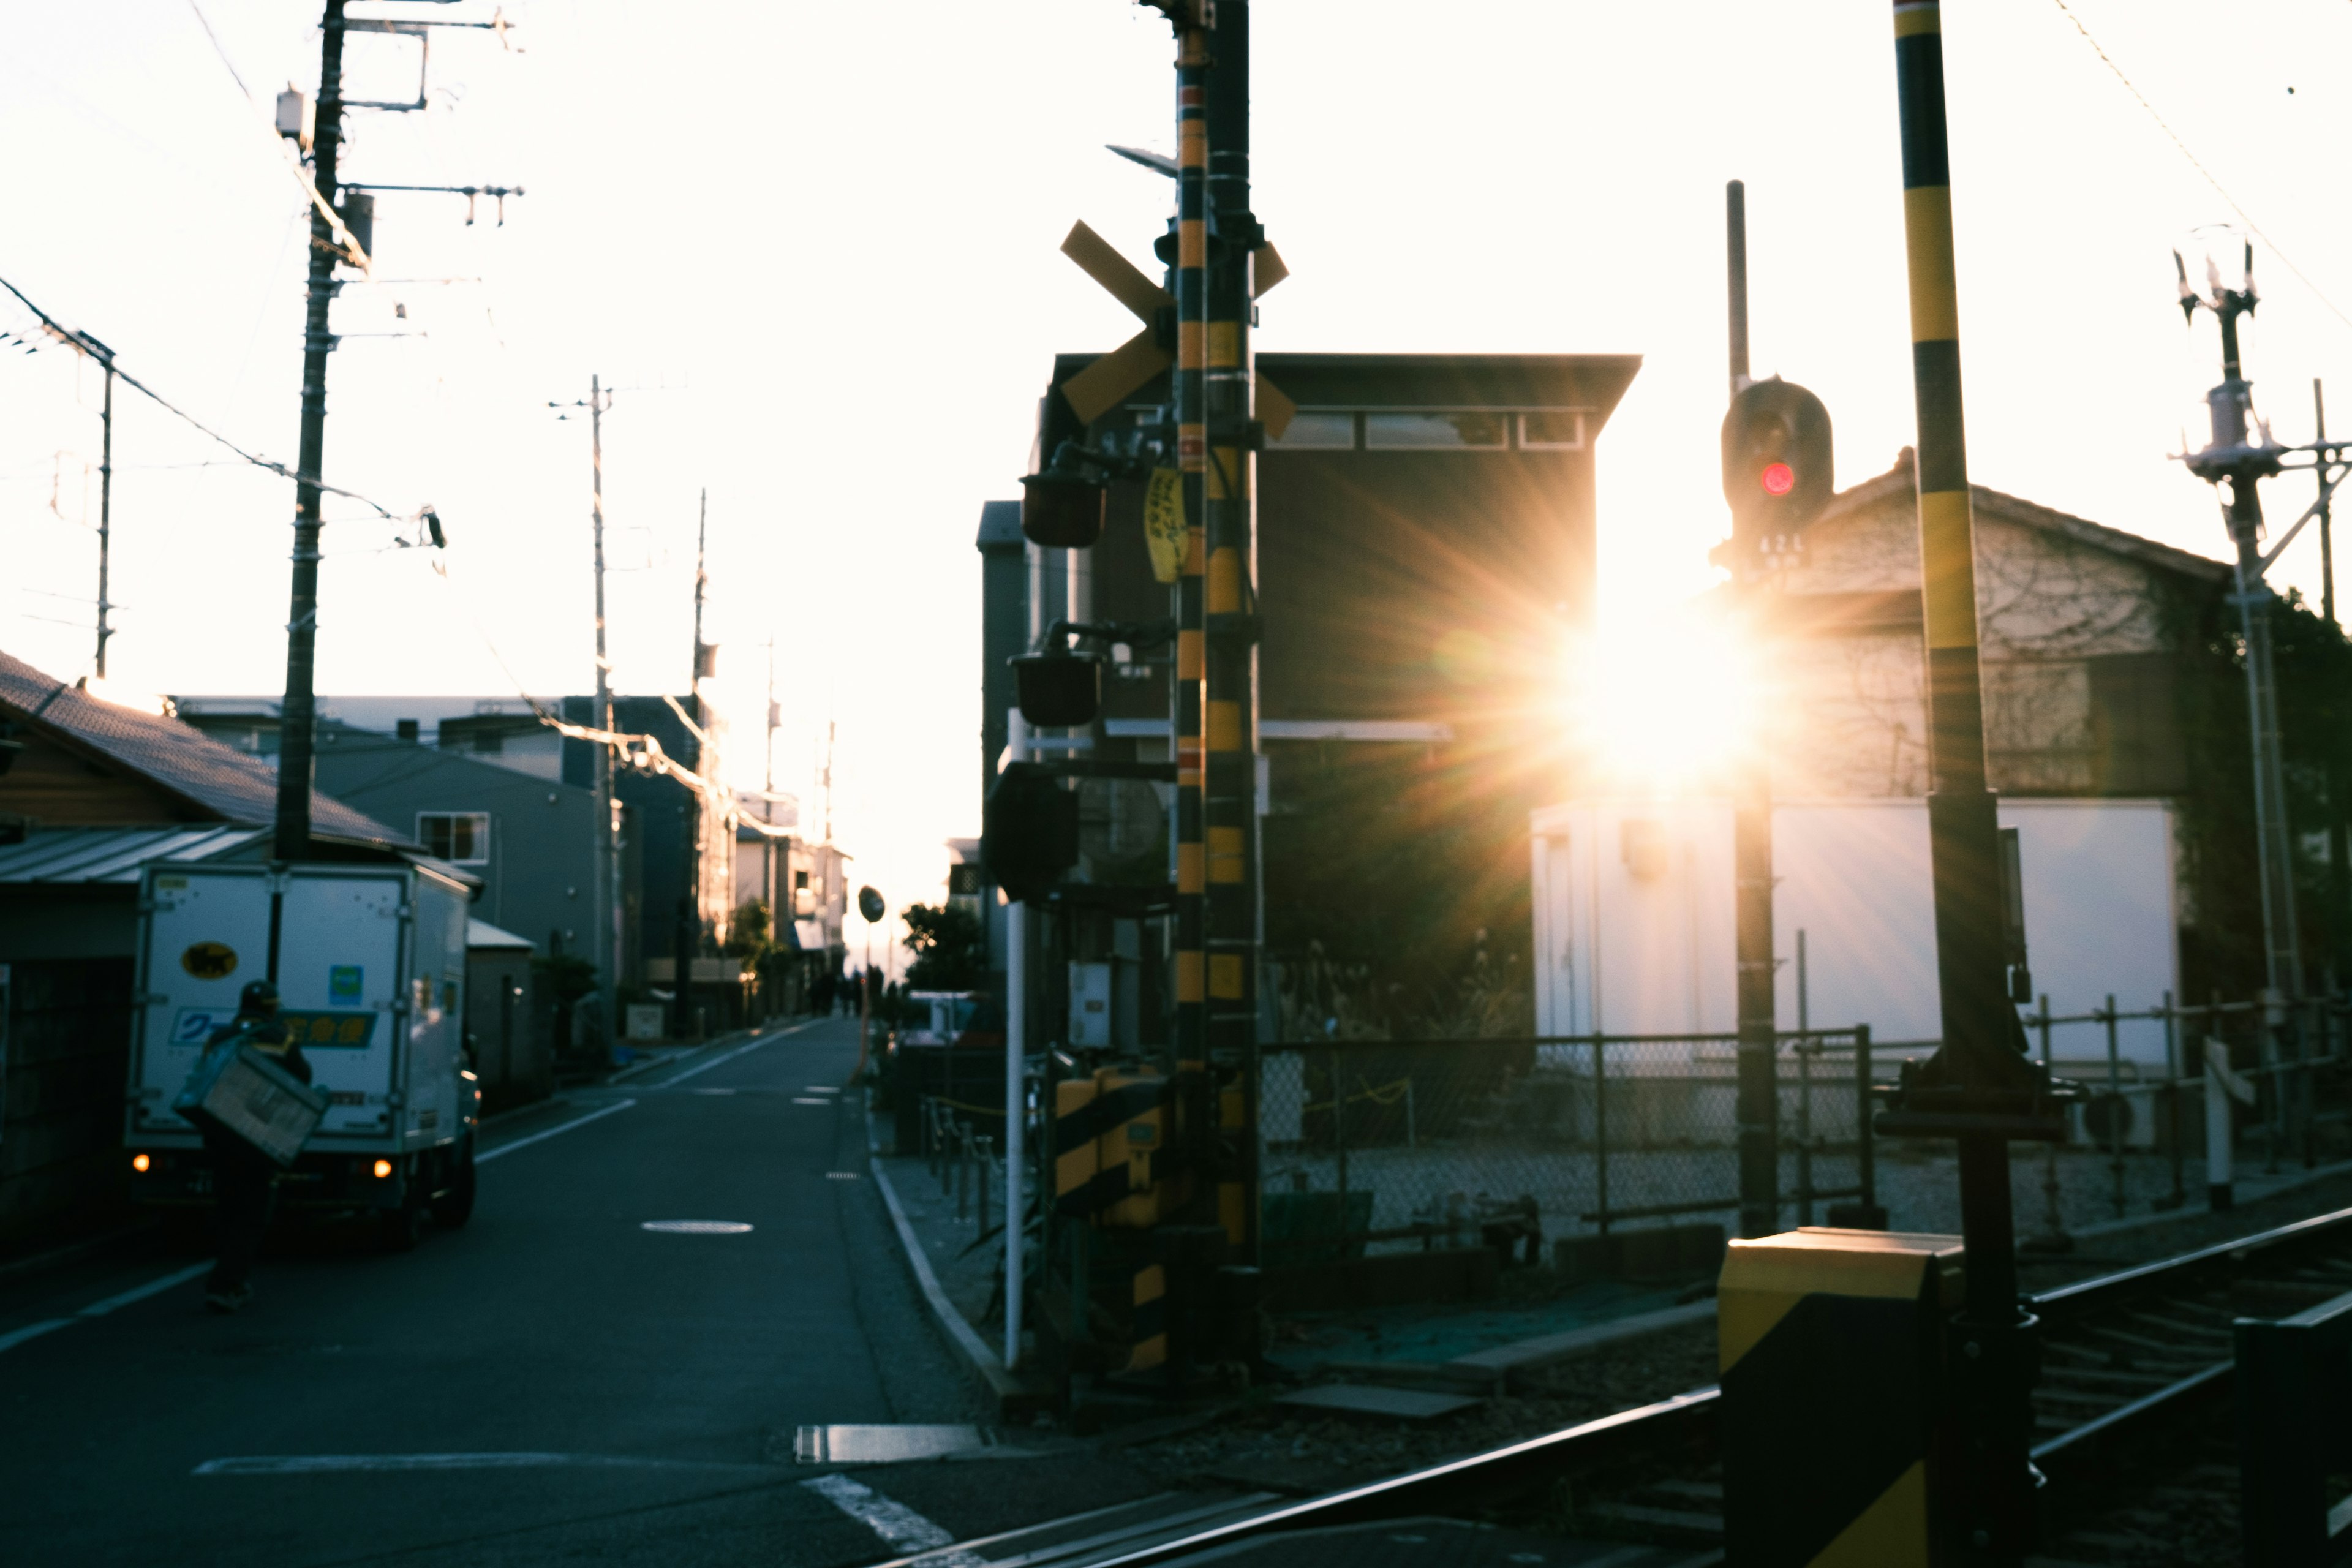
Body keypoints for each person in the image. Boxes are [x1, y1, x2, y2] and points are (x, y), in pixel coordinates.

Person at [201, 980, 311, 1316]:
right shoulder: (282, 1039)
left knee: (227, 1209)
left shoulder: (218, 1039)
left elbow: (202, 1079)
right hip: (257, 1138)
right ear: (272, 1009)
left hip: (219, 1138)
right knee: (251, 1215)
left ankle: (225, 1276)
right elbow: (302, 1077)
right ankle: (227, 1284)